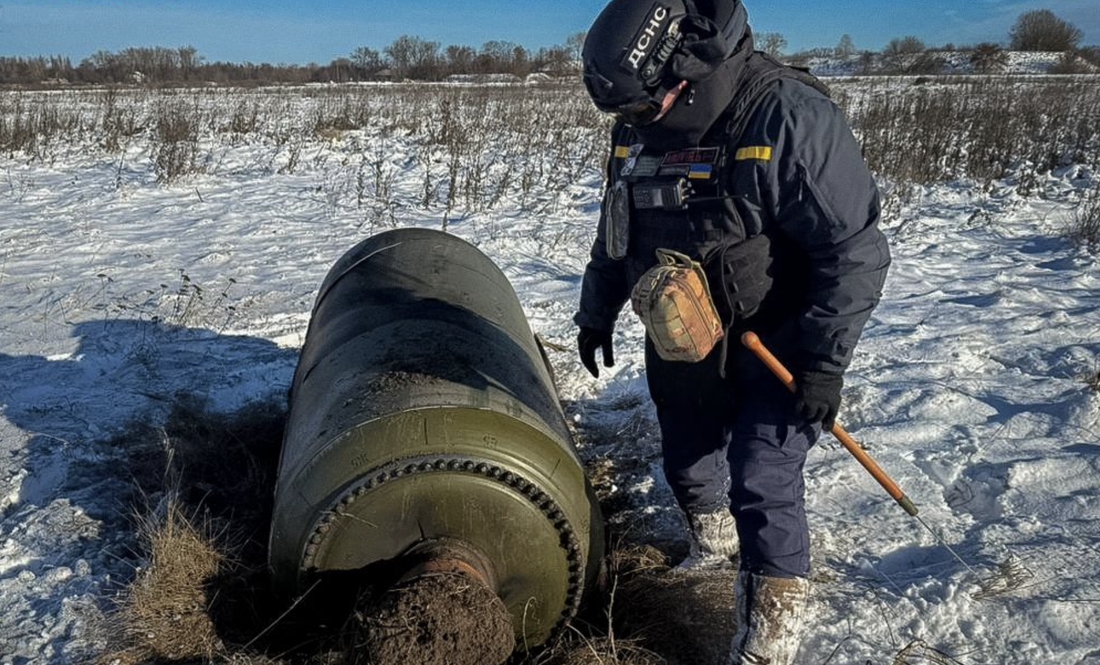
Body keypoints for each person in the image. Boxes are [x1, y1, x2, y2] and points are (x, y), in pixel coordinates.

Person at [573, 0, 891, 663]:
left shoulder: (784, 115)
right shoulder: (635, 131)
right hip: (684, 335)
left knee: (761, 475)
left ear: (682, 74)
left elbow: (854, 252)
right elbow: (617, 230)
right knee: (688, 463)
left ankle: (771, 632)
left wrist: (824, 361)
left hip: (782, 341)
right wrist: (594, 308)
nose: (632, 125)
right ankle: (713, 546)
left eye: (640, 109)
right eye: (623, 115)